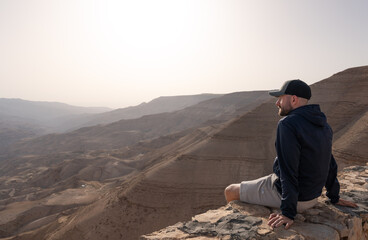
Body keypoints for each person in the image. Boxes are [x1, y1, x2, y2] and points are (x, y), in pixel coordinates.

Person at [224, 79, 357, 230]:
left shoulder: (288, 124)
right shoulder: (323, 125)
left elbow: (289, 170)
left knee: (231, 190)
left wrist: (288, 212)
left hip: (294, 198)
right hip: (312, 197)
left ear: (293, 99)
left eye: (280, 98)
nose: (277, 103)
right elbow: (329, 161)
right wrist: (334, 196)